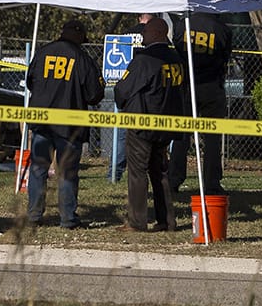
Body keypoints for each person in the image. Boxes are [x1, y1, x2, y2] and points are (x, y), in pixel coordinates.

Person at [25, 18, 105, 229]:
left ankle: (33, 215)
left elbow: (30, 81)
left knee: (38, 168)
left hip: (42, 120)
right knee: (67, 171)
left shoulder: (43, 52)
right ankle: (68, 218)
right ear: (78, 35)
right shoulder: (82, 58)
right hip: (70, 125)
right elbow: (95, 95)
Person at [114, 16, 186, 232]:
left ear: (156, 33)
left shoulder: (144, 60)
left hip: (142, 123)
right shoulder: (177, 59)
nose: (142, 36)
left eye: (145, 32)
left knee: (138, 172)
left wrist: (123, 101)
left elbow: (123, 90)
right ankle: (167, 220)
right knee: (160, 172)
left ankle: (137, 221)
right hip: (166, 124)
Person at [169, 9, 231, 193]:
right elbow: (225, 56)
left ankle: (174, 179)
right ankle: (211, 182)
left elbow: (177, 49)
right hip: (212, 86)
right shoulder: (222, 29)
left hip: (187, 85)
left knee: (181, 136)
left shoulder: (183, 25)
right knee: (212, 138)